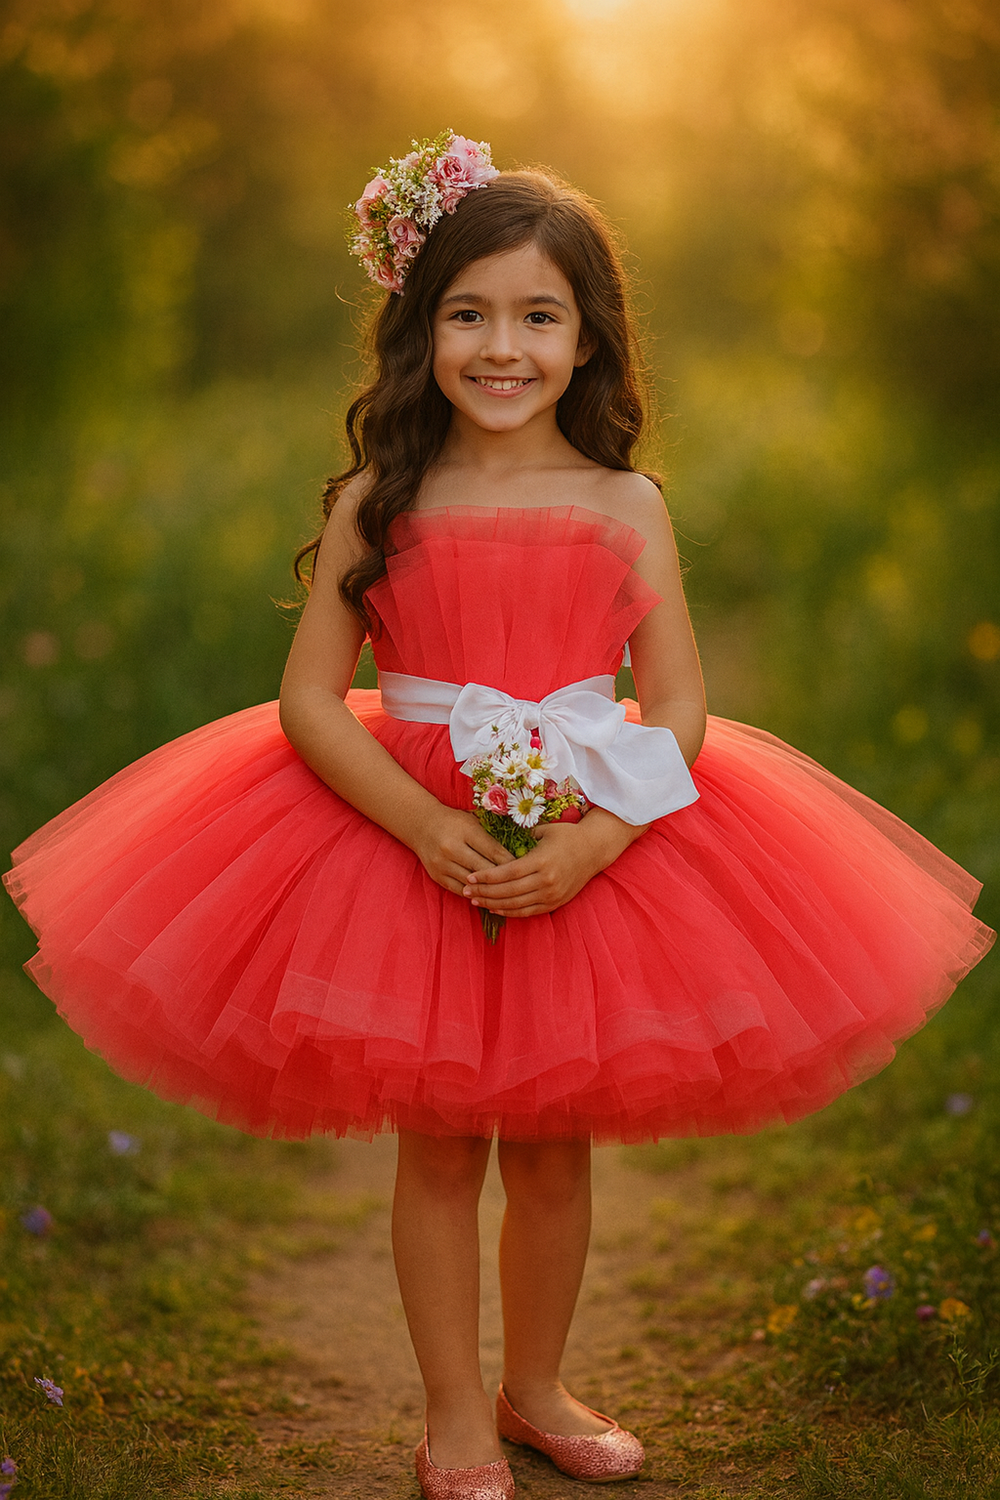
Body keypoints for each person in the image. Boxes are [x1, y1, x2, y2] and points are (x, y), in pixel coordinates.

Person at [4, 134, 994, 1499]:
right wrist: (418, 824)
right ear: (424, 327)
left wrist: (600, 839)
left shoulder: (625, 500)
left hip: (589, 825)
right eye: (469, 313)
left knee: (551, 1138)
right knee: (439, 1139)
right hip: (408, 837)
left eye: (539, 316)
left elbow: (682, 707)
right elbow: (307, 703)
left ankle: (538, 1388)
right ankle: (454, 1412)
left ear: (589, 342)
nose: (502, 346)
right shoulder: (382, 497)